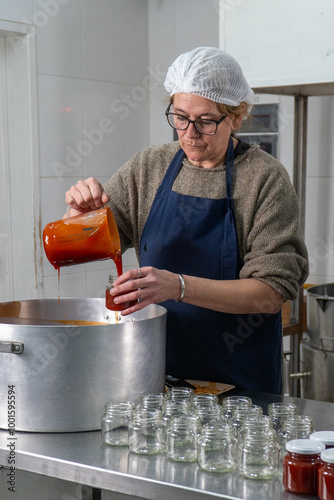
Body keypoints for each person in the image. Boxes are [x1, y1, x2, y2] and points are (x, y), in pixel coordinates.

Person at [64, 47, 309, 394]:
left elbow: (270, 294)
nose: (190, 133)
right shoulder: (149, 167)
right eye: (180, 117)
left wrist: (177, 287)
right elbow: (80, 247)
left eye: (206, 121)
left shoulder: (264, 178)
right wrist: (79, 216)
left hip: (239, 384)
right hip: (155, 376)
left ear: (237, 117)